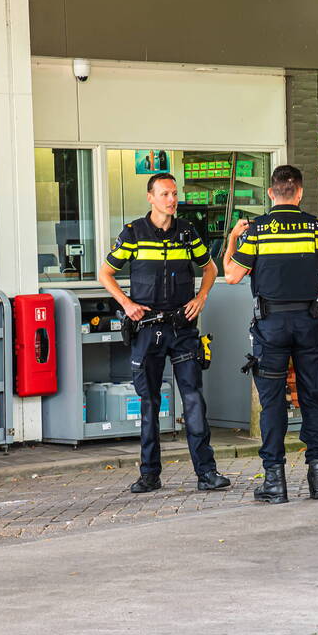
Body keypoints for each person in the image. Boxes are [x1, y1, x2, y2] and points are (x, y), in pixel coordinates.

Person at [223, 165, 318, 504]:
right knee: (312, 399)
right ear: (299, 193)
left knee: (272, 404)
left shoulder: (259, 230)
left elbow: (233, 276)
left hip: (270, 327)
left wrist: (232, 239)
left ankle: (275, 483)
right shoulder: (317, 228)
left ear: (271, 193)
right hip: (308, 324)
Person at [98, 172, 230, 494]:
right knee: (149, 403)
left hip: (182, 328)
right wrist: (127, 303)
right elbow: (105, 272)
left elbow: (210, 268)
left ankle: (207, 473)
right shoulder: (133, 234)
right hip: (147, 329)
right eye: (165, 194)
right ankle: (149, 475)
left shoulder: (187, 232)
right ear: (151, 198)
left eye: (174, 194)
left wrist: (201, 297)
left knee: (194, 399)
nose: (171, 200)